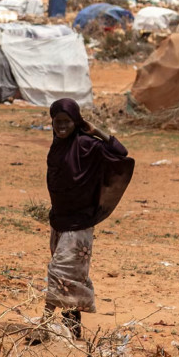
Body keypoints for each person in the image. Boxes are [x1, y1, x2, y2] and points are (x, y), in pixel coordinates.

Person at [42, 98, 133, 337]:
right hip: (59, 220)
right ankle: (73, 328)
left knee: (59, 271)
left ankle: (42, 324)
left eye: (67, 122)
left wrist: (98, 132)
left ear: (76, 121)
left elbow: (120, 153)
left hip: (79, 223)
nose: (61, 126)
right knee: (70, 276)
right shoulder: (57, 146)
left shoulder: (87, 144)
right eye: (57, 122)